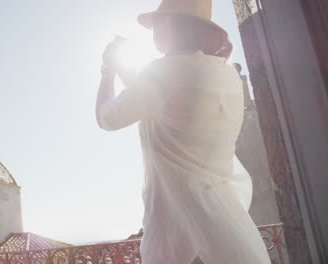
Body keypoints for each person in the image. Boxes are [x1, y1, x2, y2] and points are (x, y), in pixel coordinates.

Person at [95, 0, 271, 263]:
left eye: (158, 24)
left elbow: (107, 117)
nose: (154, 31)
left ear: (170, 24)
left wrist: (107, 71)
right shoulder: (226, 75)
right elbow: (160, 100)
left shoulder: (164, 72)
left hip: (186, 244)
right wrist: (124, 70)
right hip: (232, 236)